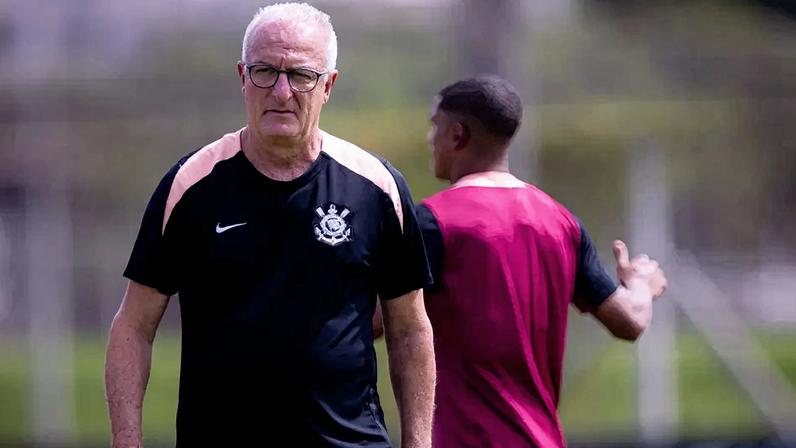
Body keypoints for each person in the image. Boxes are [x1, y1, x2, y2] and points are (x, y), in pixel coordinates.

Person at [105, 4, 435, 447]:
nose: (281, 92)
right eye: (265, 71)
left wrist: (419, 443)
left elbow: (410, 330)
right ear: (242, 76)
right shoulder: (190, 186)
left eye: (301, 75)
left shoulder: (376, 188)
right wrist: (126, 442)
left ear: (328, 86)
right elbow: (133, 326)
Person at [416, 75, 667, 447]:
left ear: (457, 135)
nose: (429, 140)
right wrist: (642, 284)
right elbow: (630, 320)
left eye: (434, 127)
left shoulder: (433, 223)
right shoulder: (561, 222)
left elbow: (374, 321)